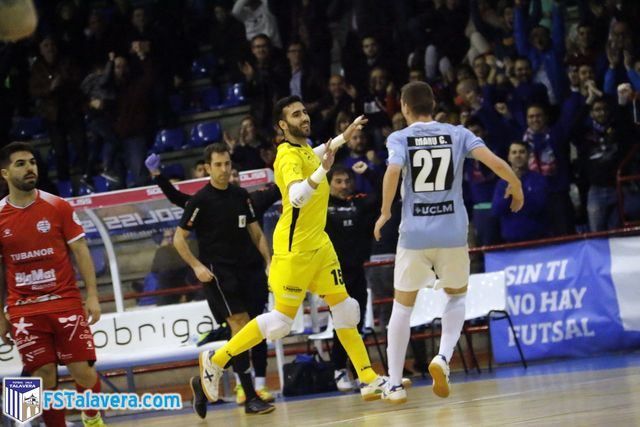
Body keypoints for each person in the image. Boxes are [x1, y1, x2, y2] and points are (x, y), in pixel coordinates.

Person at [197, 96, 388, 409]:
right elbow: (297, 196)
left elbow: (318, 154)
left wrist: (343, 137)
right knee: (280, 324)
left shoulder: (302, 150)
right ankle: (216, 360)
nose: (304, 117)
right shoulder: (286, 157)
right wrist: (322, 171)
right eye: (296, 115)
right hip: (294, 249)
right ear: (283, 126)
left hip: (319, 245)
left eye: (304, 112)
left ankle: (368, 378)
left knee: (346, 309)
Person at [373, 82, 524, 403]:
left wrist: (385, 212)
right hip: (453, 233)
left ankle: (396, 384)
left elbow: (392, 171)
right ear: (433, 104)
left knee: (402, 306)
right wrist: (515, 183)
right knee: (456, 297)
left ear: (403, 106)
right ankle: (442, 357)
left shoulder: (399, 138)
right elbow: (495, 162)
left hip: (414, 235)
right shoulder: (458, 133)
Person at [0, 142, 105, 427]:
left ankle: (93, 419)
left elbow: (81, 250)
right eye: (20, 163)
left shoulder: (57, 205)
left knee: (83, 371)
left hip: (65, 302)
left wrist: (92, 295)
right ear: (5, 173)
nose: (29, 167)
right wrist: (1, 316)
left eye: (32, 162)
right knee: (43, 375)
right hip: (24, 310)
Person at [173, 144, 274, 416]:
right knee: (240, 327)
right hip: (219, 273)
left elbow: (256, 233)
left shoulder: (241, 195)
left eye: (227, 164)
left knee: (253, 332)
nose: (224, 169)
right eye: (218, 165)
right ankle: (250, 396)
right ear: (207, 167)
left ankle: (207, 373)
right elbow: (178, 238)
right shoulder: (200, 201)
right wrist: (196, 266)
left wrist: (269, 262)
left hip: (249, 270)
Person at [325, 165, 376, 391]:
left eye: (347, 181)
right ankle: (338, 370)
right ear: (328, 184)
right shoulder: (320, 208)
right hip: (333, 276)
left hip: (357, 273)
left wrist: (368, 173)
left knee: (359, 321)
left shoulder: (359, 204)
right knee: (342, 324)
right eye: (338, 181)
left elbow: (387, 195)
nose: (344, 186)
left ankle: (360, 372)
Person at [492, 141, 548, 242]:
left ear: (528, 156)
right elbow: (497, 210)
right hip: (511, 240)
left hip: (536, 238)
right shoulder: (502, 183)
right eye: (514, 152)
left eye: (522, 152)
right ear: (509, 157)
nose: (518, 155)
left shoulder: (538, 179)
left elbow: (539, 206)